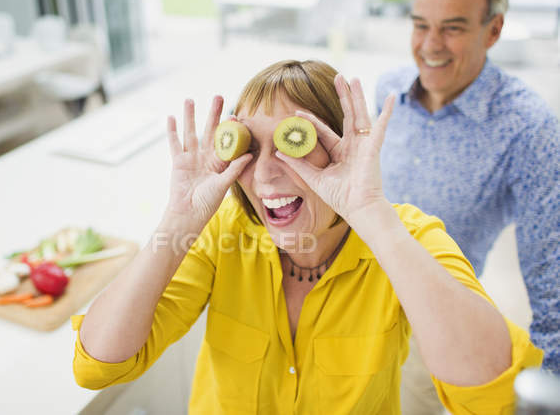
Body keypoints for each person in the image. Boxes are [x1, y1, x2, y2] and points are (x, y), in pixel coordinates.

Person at [72, 59, 542, 414]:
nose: (266, 174)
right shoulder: (223, 233)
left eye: (292, 142)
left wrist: (368, 211)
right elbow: (98, 364)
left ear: (342, 147)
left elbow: (491, 390)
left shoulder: (404, 235)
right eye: (249, 147)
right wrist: (177, 220)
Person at [375, 0, 560, 412]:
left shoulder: (528, 128)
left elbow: (550, 278)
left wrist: (548, 389)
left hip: (427, 328)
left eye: (453, 28)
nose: (430, 45)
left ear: (493, 30)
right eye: (420, 25)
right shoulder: (387, 90)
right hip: (342, 300)